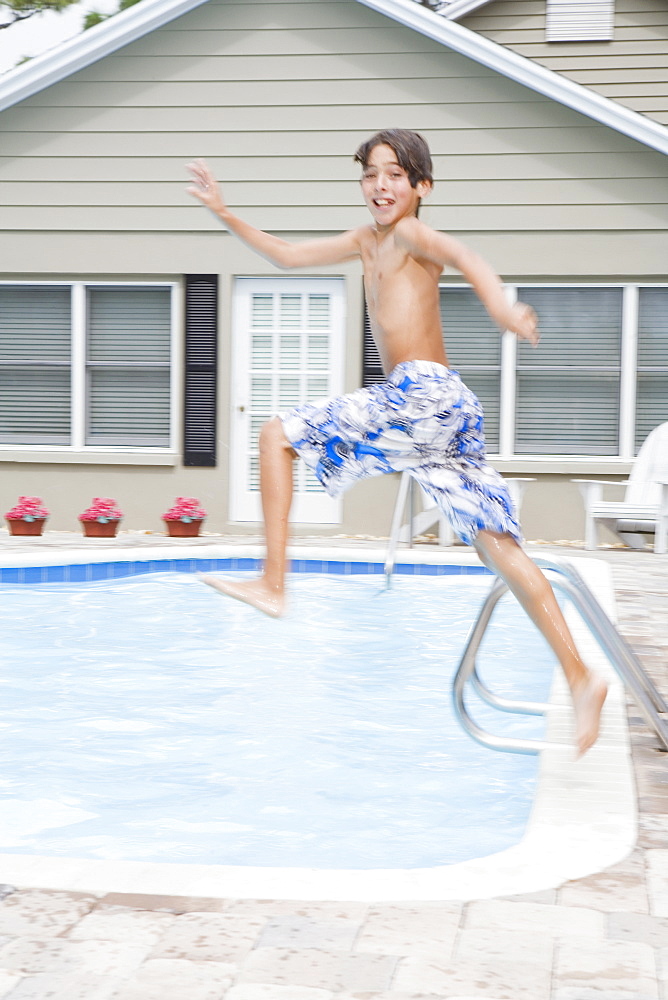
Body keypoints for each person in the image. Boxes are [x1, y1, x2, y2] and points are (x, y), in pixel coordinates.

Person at [186, 128, 607, 756]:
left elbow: (465, 256)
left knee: (276, 436)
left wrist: (500, 307)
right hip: (449, 410)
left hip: (424, 395)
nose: (380, 186)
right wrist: (224, 214)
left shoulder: (410, 235)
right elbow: (286, 254)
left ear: (420, 187)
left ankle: (274, 583)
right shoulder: (364, 241)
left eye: (394, 175)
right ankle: (580, 677)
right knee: (496, 546)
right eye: (370, 175)